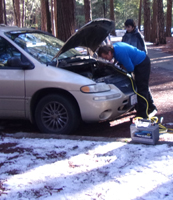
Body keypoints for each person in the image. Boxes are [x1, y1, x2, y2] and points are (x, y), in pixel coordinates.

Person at [97, 42, 157, 119]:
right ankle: (151, 106)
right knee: (140, 86)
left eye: (105, 57)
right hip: (139, 62)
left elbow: (130, 68)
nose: (106, 59)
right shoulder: (115, 48)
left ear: (109, 52)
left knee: (141, 88)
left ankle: (143, 114)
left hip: (142, 63)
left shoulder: (119, 53)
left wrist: (123, 67)